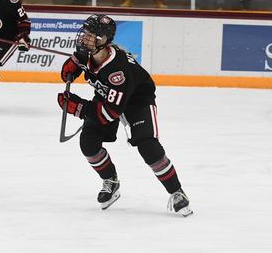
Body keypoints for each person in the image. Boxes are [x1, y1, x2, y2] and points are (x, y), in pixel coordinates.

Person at [57, 14, 192, 216]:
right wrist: (71, 68)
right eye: (85, 32)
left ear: (103, 40)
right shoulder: (89, 53)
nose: (85, 37)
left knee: (148, 147)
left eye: (91, 34)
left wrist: (78, 107)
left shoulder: (118, 70)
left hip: (137, 101)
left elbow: (109, 113)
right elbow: (74, 68)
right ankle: (111, 181)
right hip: (109, 97)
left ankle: (177, 192)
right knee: (89, 144)